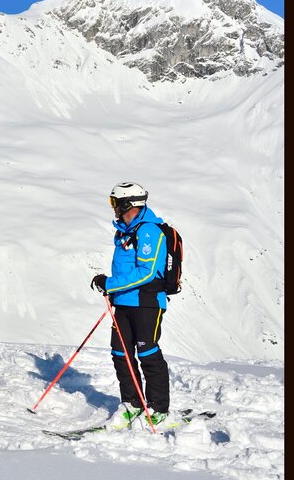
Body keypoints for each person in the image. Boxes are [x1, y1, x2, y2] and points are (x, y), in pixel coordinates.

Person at [91, 182, 171, 427]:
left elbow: (147, 273)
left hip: (146, 303)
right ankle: (132, 404)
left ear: (128, 203)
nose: (113, 208)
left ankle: (158, 408)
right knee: (120, 354)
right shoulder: (124, 232)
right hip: (123, 303)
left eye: (115, 202)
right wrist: (110, 286)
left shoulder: (149, 231)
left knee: (148, 353)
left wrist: (111, 283)